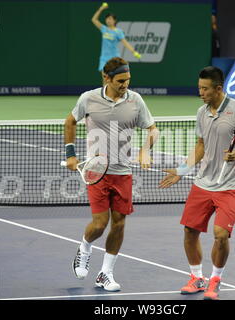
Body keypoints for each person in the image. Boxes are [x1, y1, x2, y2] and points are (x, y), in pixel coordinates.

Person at [159, 66, 235, 300]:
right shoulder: (201, 112)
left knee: (220, 235)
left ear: (219, 89)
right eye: (199, 88)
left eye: (205, 89)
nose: (201, 93)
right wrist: (182, 170)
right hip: (203, 183)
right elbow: (201, 145)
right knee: (189, 231)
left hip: (231, 186)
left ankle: (215, 279)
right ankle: (197, 277)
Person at [64, 57, 158, 292]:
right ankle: (85, 248)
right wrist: (71, 153)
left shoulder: (135, 101)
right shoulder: (88, 98)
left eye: (128, 80)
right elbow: (70, 122)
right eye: (120, 81)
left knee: (119, 224)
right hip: (97, 171)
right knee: (99, 224)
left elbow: (152, 129)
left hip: (122, 172)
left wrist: (146, 150)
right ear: (106, 78)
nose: (126, 84)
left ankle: (105, 273)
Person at [91, 3, 141, 77]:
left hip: (114, 57)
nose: (108, 20)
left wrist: (134, 52)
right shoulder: (104, 29)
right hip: (104, 58)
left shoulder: (118, 31)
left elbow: (125, 43)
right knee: (105, 78)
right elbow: (94, 20)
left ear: (114, 21)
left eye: (110, 19)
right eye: (107, 19)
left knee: (114, 78)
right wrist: (101, 9)